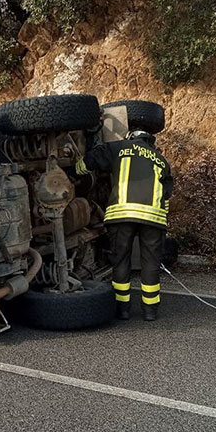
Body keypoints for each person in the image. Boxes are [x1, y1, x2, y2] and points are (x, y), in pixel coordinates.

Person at [76, 128, 173, 321]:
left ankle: (123, 309)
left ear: (131, 138)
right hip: (153, 219)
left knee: (121, 261)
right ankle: (150, 311)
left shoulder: (120, 147)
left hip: (122, 215)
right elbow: (166, 195)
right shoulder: (161, 160)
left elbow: (94, 157)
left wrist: (76, 170)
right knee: (151, 264)